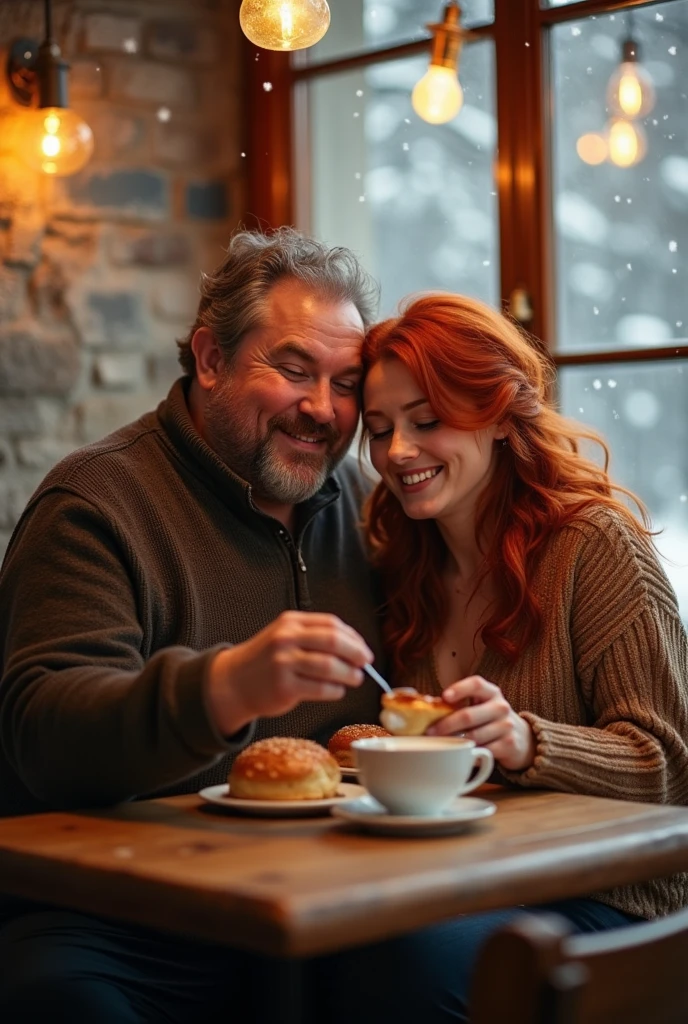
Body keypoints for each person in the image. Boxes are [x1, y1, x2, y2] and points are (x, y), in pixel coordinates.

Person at [0, 227, 391, 1021]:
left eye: (347, 383)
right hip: (119, 919)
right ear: (210, 360)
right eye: (292, 369)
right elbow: (43, 731)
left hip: (330, 902)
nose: (323, 410)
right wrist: (222, 687)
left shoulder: (370, 506)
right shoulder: (96, 503)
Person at [355, 290, 688, 1020]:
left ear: (502, 416)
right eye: (378, 430)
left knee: (406, 962)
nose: (398, 452)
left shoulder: (593, 547)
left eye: (427, 420)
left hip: (620, 907)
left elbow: (670, 765)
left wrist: (528, 740)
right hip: (468, 883)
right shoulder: (403, 564)